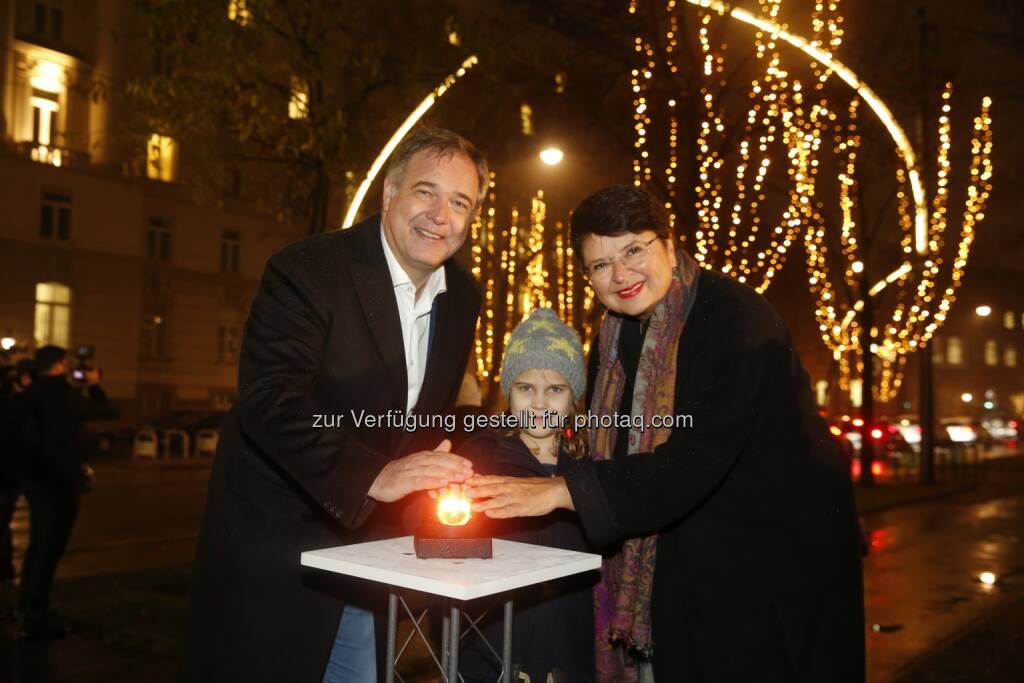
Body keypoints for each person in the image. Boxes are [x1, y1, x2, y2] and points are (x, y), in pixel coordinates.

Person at [467, 186, 865, 682]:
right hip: (690, 567)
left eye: (633, 250)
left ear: (669, 242)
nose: (620, 275)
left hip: (773, 571)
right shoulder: (614, 336)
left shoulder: (733, 320)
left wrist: (563, 489)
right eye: (600, 265)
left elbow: (696, 459)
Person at [178, 127, 487, 683]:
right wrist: (375, 474)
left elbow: (422, 411)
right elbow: (270, 399)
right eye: (426, 191)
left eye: (459, 202)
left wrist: (465, 454)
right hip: (279, 543)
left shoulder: (464, 297)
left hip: (370, 544)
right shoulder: (308, 270)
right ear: (389, 192)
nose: (440, 215)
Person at [457, 308, 595, 682]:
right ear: (508, 392)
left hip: (571, 645)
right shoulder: (482, 455)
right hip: (490, 645)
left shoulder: (590, 471)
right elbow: (437, 542)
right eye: (525, 388)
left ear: (574, 398)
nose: (538, 404)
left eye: (555, 389)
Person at [14, 346, 117, 639]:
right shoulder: (64, 396)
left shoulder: (29, 395)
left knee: (36, 547)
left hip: (34, 482)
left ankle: (27, 607)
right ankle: (35, 617)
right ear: (59, 365)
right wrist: (94, 384)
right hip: (61, 483)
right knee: (49, 550)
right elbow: (108, 411)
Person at [0, 359, 34, 585]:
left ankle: (5, 570)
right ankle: (5, 571)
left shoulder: (14, 404)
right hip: (9, 472)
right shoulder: (19, 405)